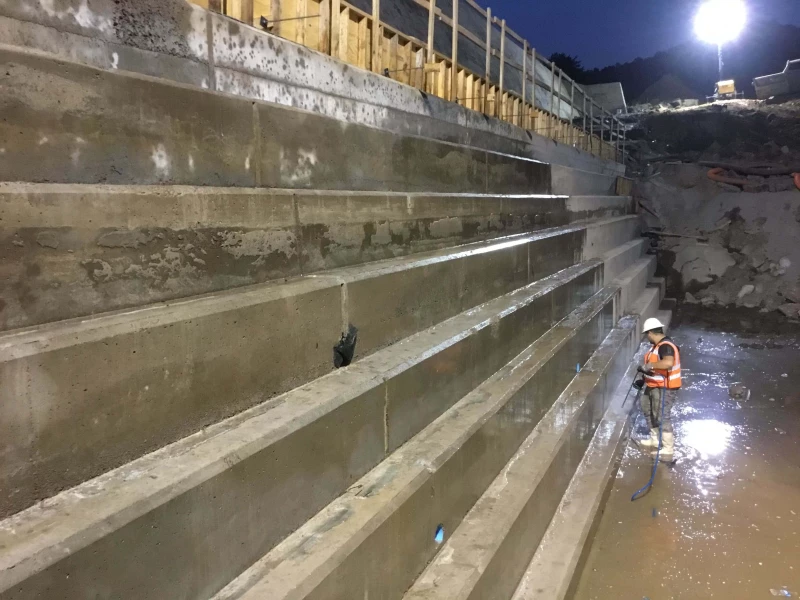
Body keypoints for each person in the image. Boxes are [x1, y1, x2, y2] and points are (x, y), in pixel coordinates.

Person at [634, 318, 681, 459]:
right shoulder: (656, 346)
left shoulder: (666, 346)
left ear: (650, 333)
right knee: (647, 410)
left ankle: (668, 448)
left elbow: (667, 363)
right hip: (652, 385)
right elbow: (656, 368)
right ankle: (655, 439)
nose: (647, 337)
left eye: (646, 334)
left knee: (662, 416)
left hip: (665, 388)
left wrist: (648, 366)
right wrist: (644, 379)